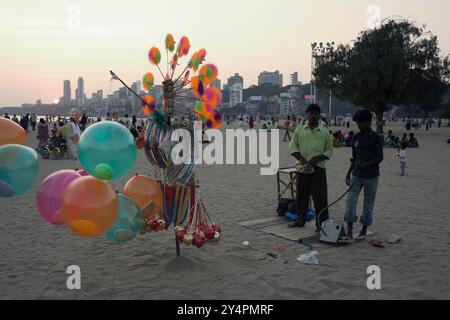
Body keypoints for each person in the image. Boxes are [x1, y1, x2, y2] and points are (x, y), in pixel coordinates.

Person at [288, 104, 333, 229]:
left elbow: (329, 150)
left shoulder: (324, 132)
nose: (313, 116)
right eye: (311, 113)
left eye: (316, 113)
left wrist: (316, 159)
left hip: (318, 168)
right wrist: (302, 160)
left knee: (320, 197)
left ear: (319, 115)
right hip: (302, 168)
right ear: (307, 115)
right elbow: (293, 147)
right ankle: (300, 220)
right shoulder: (299, 130)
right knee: (302, 196)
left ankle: (321, 224)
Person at [341, 109, 384, 242]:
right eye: (357, 123)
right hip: (357, 175)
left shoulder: (377, 138)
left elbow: (379, 158)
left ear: (369, 122)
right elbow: (354, 158)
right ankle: (349, 232)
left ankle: (363, 230)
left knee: (368, 203)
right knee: (350, 201)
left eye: (361, 123)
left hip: (371, 176)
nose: (359, 125)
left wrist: (367, 164)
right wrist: (348, 173)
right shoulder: (356, 137)